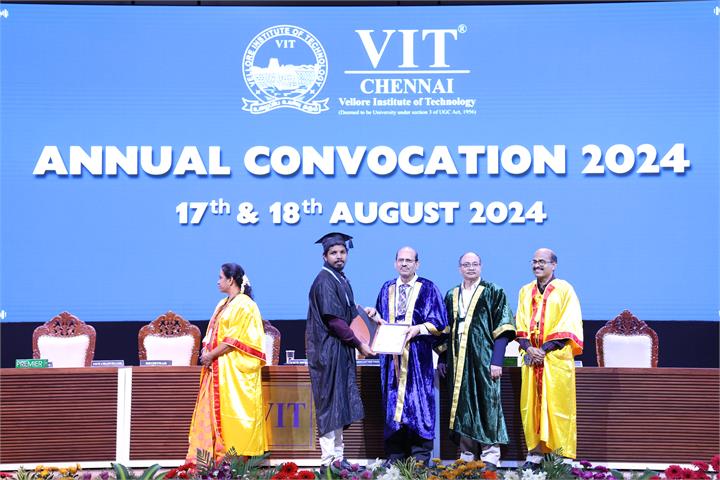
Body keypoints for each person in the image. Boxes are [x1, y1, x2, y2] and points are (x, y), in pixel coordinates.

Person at [365, 246, 448, 464]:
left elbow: (440, 322)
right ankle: (395, 457)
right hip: (391, 359)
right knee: (393, 404)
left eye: (409, 260)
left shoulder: (428, 288)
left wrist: (417, 329)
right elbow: (382, 320)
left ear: (417, 264)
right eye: (400, 260)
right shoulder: (387, 288)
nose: (404, 263)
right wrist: (374, 315)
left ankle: (419, 458)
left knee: (418, 404)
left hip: (417, 358)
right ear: (395, 263)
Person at [438, 252, 516, 470]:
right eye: (466, 264)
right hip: (457, 361)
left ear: (481, 266)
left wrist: (497, 360)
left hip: (484, 360)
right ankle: (467, 454)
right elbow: (445, 330)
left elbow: (503, 327)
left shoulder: (494, 291)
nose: (470, 268)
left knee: (487, 403)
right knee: (463, 406)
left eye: (474, 264)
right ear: (459, 268)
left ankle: (491, 455)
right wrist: (443, 358)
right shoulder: (451, 294)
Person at [187, 263, 267, 462]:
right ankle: (210, 458)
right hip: (217, 369)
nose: (217, 281)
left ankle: (234, 461)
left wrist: (211, 355)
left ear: (231, 280)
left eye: (220, 277)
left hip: (233, 373)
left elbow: (234, 339)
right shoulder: (222, 304)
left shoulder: (245, 305)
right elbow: (212, 333)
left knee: (235, 414)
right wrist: (206, 350)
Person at [306, 232, 373, 469]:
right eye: (333, 252)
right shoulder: (324, 281)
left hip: (339, 350)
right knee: (329, 405)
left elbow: (349, 311)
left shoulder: (340, 279)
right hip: (327, 353)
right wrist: (360, 344)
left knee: (339, 404)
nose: (339, 256)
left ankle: (337, 458)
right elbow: (334, 321)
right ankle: (327, 461)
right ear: (324, 256)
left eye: (342, 252)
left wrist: (369, 314)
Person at [516, 248, 583, 468]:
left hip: (555, 359)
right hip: (531, 360)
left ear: (554, 265)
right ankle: (535, 454)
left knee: (559, 408)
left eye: (542, 261)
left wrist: (543, 349)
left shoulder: (565, 289)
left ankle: (561, 456)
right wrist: (529, 348)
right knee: (531, 408)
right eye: (534, 261)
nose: (537, 265)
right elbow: (520, 323)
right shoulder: (525, 291)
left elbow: (569, 323)